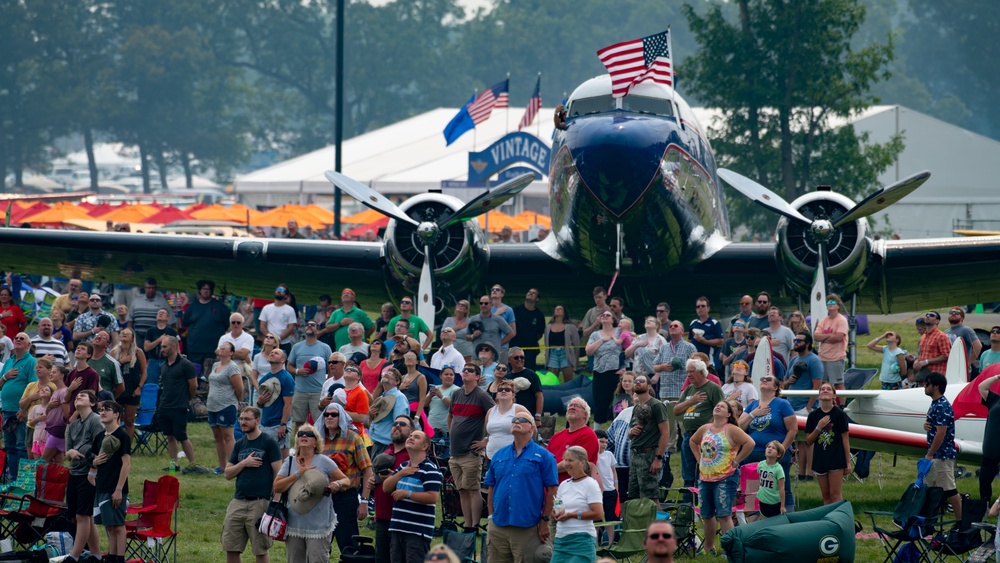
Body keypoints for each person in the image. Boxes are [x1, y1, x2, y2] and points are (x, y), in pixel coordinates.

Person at [484, 411, 557, 563]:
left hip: (527, 526)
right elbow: (491, 487)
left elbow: (552, 490)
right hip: (498, 525)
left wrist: (545, 520)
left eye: (522, 419)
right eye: (514, 419)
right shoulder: (499, 455)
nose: (516, 421)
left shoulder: (544, 456)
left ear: (532, 428)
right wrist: (491, 516)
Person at [273, 424, 351, 562]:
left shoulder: (324, 462)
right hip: (294, 524)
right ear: (297, 440)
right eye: (301, 433)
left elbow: (346, 481)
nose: (304, 436)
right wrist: (297, 474)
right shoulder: (290, 462)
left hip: (319, 525)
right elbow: (277, 487)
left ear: (316, 442)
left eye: (309, 434)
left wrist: (337, 484)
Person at [689, 400, 754, 556]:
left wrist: (737, 461)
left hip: (726, 477)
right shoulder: (705, 428)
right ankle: (708, 548)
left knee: (724, 514)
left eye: (722, 407)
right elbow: (692, 441)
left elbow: (750, 443)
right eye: (716, 405)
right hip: (705, 478)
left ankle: (729, 550)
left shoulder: (731, 429)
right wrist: (699, 459)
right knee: (707, 514)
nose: (718, 407)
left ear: (728, 414)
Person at [222, 406, 282, 563]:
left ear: (257, 420)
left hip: (260, 502)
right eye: (241, 419)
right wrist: (244, 463)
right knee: (231, 547)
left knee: (260, 549)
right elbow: (227, 474)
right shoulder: (239, 444)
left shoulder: (268, 443)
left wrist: (275, 501)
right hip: (238, 501)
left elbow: (279, 473)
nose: (243, 422)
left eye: (247, 419)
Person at [317, 402, 373, 553]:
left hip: (345, 498)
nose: (329, 417)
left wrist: (365, 501)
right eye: (326, 415)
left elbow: (368, 471)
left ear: (341, 417)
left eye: (334, 414)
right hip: (321, 499)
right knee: (319, 546)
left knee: (349, 546)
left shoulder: (353, 438)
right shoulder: (318, 440)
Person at [383, 430, 442, 563]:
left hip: (417, 532)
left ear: (424, 446)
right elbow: (386, 488)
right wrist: (400, 473)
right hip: (397, 527)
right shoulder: (403, 467)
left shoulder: (430, 469)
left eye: (416, 437)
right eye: (410, 436)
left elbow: (432, 497)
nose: (411, 438)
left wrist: (407, 494)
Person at [739, 374, 796, 510]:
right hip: (753, 454)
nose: (764, 379)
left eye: (768, 379)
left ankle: (787, 517)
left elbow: (793, 430)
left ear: (776, 387)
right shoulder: (752, 405)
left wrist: (782, 450)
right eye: (762, 378)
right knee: (752, 489)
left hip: (775, 456)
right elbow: (739, 428)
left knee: (783, 488)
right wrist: (753, 414)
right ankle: (755, 518)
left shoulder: (782, 404)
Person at [449, 363, 495, 531]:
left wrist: (486, 440)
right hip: (455, 451)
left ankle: (474, 525)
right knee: (461, 489)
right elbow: (450, 416)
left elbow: (495, 416)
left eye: (470, 370)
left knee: (472, 488)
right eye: (464, 370)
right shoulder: (456, 394)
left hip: (472, 452)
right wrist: (452, 432)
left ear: (477, 376)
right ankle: (467, 524)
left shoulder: (482, 396)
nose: (466, 372)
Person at [158, 336, 210, 475]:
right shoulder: (163, 366)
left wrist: (188, 400)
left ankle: (193, 464)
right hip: (165, 406)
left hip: (179, 406)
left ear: (174, 347)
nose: (161, 349)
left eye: (164, 346)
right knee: (169, 436)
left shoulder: (186, 365)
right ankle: (173, 465)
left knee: (182, 436)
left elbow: (193, 385)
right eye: (162, 346)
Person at [64, 390, 104, 563]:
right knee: (84, 517)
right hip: (74, 473)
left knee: (82, 515)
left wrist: (93, 468)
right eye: (77, 396)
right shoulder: (73, 425)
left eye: (83, 396)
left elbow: (102, 446)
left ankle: (74, 556)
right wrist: (71, 452)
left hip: (89, 474)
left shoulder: (95, 420)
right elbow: (67, 451)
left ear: (92, 403)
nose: (78, 397)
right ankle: (96, 555)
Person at [90, 400, 131, 563]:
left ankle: (120, 558)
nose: (103, 412)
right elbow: (92, 457)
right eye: (101, 410)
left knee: (118, 525)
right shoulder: (100, 436)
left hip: (115, 487)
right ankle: (112, 556)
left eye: (107, 410)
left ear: (116, 414)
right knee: (108, 525)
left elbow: (126, 464)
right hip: (101, 486)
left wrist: (119, 489)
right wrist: (93, 466)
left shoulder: (122, 435)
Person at [673, 359, 724, 488]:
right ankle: (688, 501)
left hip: (706, 437)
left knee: (705, 469)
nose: (689, 375)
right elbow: (676, 411)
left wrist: (709, 428)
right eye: (687, 372)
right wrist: (692, 401)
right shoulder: (689, 389)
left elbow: (721, 411)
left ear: (702, 372)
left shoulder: (713, 388)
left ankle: (703, 498)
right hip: (689, 436)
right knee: (688, 472)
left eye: (692, 371)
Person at [370, 414, 413, 563]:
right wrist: (372, 482)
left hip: (402, 518)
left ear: (411, 432)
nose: (397, 426)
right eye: (395, 423)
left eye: (402, 424)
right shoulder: (385, 453)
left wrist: (393, 478)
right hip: (382, 516)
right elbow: (377, 481)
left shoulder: (412, 457)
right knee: (381, 559)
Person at [551, 446, 603, 563]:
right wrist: (555, 512)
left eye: (570, 460)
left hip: (581, 540)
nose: (567, 464)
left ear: (582, 462)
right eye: (565, 460)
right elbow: (557, 506)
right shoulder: (564, 484)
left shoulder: (590, 484)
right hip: (561, 540)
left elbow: (598, 514)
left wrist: (571, 515)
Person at [924, 372, 962, 521]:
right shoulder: (935, 404)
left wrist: (930, 454)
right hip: (936, 454)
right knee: (932, 489)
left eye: (927, 384)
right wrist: (926, 425)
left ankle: (960, 522)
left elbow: (941, 433)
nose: (924, 386)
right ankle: (932, 519)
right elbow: (935, 427)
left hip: (942, 455)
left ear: (936, 386)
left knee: (950, 490)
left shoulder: (942, 406)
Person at [804, 383, 851, 504]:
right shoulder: (813, 416)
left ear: (834, 395)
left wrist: (847, 462)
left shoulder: (840, 415)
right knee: (826, 496)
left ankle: (839, 519)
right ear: (819, 395)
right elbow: (809, 440)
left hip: (836, 457)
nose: (825, 391)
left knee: (835, 494)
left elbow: (845, 439)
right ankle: (828, 520)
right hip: (820, 458)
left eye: (829, 389)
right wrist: (818, 427)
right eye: (822, 389)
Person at [286, 320, 332, 434]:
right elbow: (289, 366)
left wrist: (327, 383)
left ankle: (320, 446)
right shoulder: (297, 347)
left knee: (320, 422)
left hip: (318, 392)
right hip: (300, 391)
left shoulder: (325, 348)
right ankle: (297, 448)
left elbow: (331, 368)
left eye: (313, 325)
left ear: (318, 329)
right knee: (299, 422)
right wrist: (298, 371)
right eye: (307, 324)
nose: (309, 326)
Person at [629, 374, 671, 498]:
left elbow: (665, 432)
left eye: (641, 381)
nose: (637, 382)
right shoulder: (636, 407)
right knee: (634, 496)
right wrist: (631, 432)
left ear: (648, 386)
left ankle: (659, 518)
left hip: (650, 454)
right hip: (635, 454)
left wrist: (658, 458)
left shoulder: (657, 405)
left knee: (650, 497)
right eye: (635, 381)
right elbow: (630, 433)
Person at [1, 331, 36, 478]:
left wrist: (23, 409)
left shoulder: (31, 362)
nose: (18, 339)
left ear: (28, 344)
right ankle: (13, 480)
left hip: (20, 411)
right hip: (7, 410)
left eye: (22, 338)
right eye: (16, 338)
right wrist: (5, 376)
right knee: (10, 447)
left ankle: (22, 481)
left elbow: (33, 386)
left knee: (22, 446)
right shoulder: (9, 361)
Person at [209, 342, 245, 475]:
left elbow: (239, 388)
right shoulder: (215, 365)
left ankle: (233, 465)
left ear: (231, 353)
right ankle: (221, 466)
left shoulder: (232, 368)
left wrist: (237, 401)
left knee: (228, 436)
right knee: (217, 437)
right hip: (212, 405)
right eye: (220, 347)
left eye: (225, 348)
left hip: (226, 405)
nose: (222, 349)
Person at [548, 397, 600, 483]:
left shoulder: (588, 435)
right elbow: (546, 458)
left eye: (577, 406)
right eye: (570, 405)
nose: (572, 407)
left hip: (573, 489)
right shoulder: (557, 436)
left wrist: (548, 470)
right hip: (551, 487)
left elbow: (574, 462)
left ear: (585, 415)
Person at [183, 280, 232, 369]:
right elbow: (185, 322)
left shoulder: (219, 307)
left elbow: (227, 323)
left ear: (211, 291)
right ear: (200, 290)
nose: (206, 291)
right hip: (194, 348)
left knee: (209, 375)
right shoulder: (193, 306)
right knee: (194, 374)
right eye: (204, 289)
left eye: (208, 289)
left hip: (212, 349)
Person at [256, 348, 294, 459]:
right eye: (271, 352)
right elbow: (261, 404)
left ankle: (284, 477)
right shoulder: (264, 379)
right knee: (267, 458)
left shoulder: (286, 378)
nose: (272, 353)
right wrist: (259, 402)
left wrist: (283, 425)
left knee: (282, 458)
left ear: (282, 360)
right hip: (265, 423)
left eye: (276, 353)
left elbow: (288, 404)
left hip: (279, 424)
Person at [586, 310, 623, 424]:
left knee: (616, 399)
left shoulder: (619, 332)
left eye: (608, 315)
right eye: (603, 315)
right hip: (599, 371)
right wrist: (602, 340)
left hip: (616, 371)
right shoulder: (595, 335)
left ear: (613, 320)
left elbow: (628, 346)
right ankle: (597, 430)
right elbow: (589, 351)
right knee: (599, 400)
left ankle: (618, 425)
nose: (605, 316)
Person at [109, 328, 146, 440]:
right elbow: (110, 371)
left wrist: (139, 387)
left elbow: (144, 372)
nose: (124, 334)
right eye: (122, 333)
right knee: (116, 418)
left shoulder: (138, 352)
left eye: (127, 333)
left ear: (132, 338)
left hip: (133, 389)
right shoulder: (113, 352)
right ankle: (116, 444)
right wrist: (121, 361)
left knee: (129, 420)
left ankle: (127, 447)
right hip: (118, 389)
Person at [482, 379, 532, 460]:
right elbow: (488, 434)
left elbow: (533, 430)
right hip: (491, 456)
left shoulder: (519, 409)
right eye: (500, 390)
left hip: (513, 456)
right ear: (497, 394)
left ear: (513, 395)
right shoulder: (490, 411)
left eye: (508, 390)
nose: (503, 391)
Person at [812, 294, 848, 391]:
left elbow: (839, 337)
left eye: (833, 302)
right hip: (822, 357)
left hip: (836, 358)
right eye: (828, 303)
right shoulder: (824, 321)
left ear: (838, 306)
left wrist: (823, 337)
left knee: (838, 384)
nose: (830, 304)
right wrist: (830, 336)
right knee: (823, 384)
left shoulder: (842, 320)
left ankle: (842, 405)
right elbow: (816, 336)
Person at [369, 368, 411, 452]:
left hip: (386, 445)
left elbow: (400, 423)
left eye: (391, 373)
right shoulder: (381, 398)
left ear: (397, 382)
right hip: (374, 442)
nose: (386, 374)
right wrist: (371, 416)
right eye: (385, 372)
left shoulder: (399, 397)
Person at [977, 371, 1000, 501]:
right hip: (991, 450)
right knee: (984, 479)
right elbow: (982, 387)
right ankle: (985, 504)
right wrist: (997, 377)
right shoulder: (995, 400)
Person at [511, 288, 546, 370]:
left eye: (533, 293)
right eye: (529, 292)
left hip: (530, 350)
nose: (530, 293)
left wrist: (530, 340)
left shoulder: (539, 315)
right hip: (514, 347)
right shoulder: (515, 310)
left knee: (529, 372)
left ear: (537, 299)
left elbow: (540, 333)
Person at [605, 405, 634, 504]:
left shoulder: (653, 412)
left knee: (637, 499)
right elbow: (609, 439)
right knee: (620, 497)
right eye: (636, 395)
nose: (638, 398)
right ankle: (621, 519)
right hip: (620, 467)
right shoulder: (624, 413)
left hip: (642, 467)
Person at [142, 308, 177, 387]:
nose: (160, 314)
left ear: (167, 318)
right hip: (153, 360)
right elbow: (146, 347)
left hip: (167, 360)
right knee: (151, 384)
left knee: (168, 383)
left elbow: (177, 349)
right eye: (159, 313)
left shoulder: (172, 332)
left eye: (163, 313)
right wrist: (159, 340)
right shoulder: (150, 331)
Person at [545, 305, 580, 382]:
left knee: (568, 380)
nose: (558, 310)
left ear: (564, 313)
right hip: (552, 354)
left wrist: (575, 363)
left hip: (566, 354)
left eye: (560, 309)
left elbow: (577, 345)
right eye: (556, 309)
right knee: (551, 379)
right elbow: (546, 344)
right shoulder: (548, 327)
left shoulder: (571, 327)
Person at [41, 364, 69, 463]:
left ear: (61, 376)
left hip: (58, 429)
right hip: (51, 428)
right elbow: (48, 412)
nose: (50, 374)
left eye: (54, 372)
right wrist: (49, 406)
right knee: (57, 459)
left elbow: (66, 414)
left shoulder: (64, 391)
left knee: (43, 460)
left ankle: (35, 478)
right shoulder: (56, 392)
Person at [259, 285, 299, 354]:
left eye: (282, 290)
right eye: (277, 289)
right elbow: (262, 327)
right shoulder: (266, 308)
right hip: (269, 344)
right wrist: (271, 338)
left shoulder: (290, 310)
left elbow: (290, 328)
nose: (279, 291)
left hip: (284, 343)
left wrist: (278, 338)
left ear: (286, 296)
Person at [688, 297, 725, 371]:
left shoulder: (714, 323)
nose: (700, 308)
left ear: (708, 308)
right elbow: (689, 340)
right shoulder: (693, 323)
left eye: (703, 306)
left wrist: (705, 341)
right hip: (694, 361)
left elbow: (721, 341)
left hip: (708, 362)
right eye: (698, 306)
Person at [915, 311, 951, 381]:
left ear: (937, 321)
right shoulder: (923, 337)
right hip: (923, 376)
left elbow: (946, 356)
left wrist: (926, 362)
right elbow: (922, 354)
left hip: (936, 377)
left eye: (931, 315)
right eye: (927, 315)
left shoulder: (941, 336)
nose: (928, 316)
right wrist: (917, 361)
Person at [594, 429, 619, 533]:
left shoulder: (609, 455)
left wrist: (616, 487)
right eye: (601, 441)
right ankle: (596, 544)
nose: (604, 445)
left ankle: (610, 542)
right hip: (597, 491)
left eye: (606, 442)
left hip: (610, 490)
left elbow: (614, 471)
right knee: (597, 518)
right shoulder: (593, 456)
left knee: (611, 518)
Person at [945, 307, 982, 376]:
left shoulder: (966, 330)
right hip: (948, 368)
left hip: (962, 371)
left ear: (962, 318)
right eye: (951, 312)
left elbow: (978, 345)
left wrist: (968, 363)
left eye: (957, 313)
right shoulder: (946, 332)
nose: (953, 314)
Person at [756, 441, 787, 517]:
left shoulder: (778, 469)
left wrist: (782, 506)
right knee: (763, 518)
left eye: (773, 448)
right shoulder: (760, 465)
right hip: (762, 500)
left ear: (778, 454)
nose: (770, 449)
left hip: (774, 502)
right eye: (768, 447)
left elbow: (781, 488)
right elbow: (760, 480)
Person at [427, 366, 457, 437]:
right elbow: (424, 404)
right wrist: (430, 396)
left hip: (446, 429)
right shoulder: (435, 388)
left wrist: (441, 396)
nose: (449, 376)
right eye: (446, 374)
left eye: (451, 375)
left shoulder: (457, 390)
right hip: (431, 426)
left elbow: (454, 406)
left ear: (454, 377)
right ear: (441, 376)